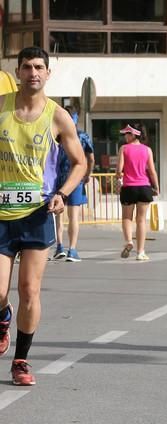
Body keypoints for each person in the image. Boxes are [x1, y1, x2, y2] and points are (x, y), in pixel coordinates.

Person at [0, 47, 87, 385]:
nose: (33, 72)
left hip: (37, 214)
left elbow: (80, 162)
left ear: (48, 73)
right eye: (26, 67)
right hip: (2, 215)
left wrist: (62, 194)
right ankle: (3, 317)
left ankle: (21, 360)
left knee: (30, 290)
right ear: (17, 72)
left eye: (39, 67)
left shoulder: (57, 115)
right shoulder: (2, 106)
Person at [51, 105, 95, 262]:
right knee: (73, 216)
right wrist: (87, 175)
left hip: (58, 178)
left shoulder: (56, 134)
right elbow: (90, 158)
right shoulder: (82, 136)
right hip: (75, 179)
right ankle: (73, 250)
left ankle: (59, 247)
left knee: (58, 215)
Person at [115, 123, 159, 261]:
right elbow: (152, 171)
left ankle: (129, 241)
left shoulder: (123, 149)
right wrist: (156, 187)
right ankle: (140, 252)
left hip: (128, 187)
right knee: (141, 220)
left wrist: (118, 180)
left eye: (127, 134)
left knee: (127, 218)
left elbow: (118, 170)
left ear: (134, 134)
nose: (125, 136)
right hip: (144, 187)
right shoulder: (147, 150)